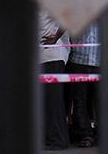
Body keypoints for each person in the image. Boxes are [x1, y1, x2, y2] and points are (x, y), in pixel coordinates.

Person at [39, 12, 70, 150]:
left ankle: (58, 140)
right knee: (48, 101)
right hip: (43, 56)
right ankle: (51, 138)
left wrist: (55, 37)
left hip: (52, 56)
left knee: (53, 101)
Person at [68, 23, 100, 149]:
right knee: (79, 100)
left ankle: (101, 133)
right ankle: (85, 134)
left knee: (101, 100)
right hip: (79, 59)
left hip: (100, 60)